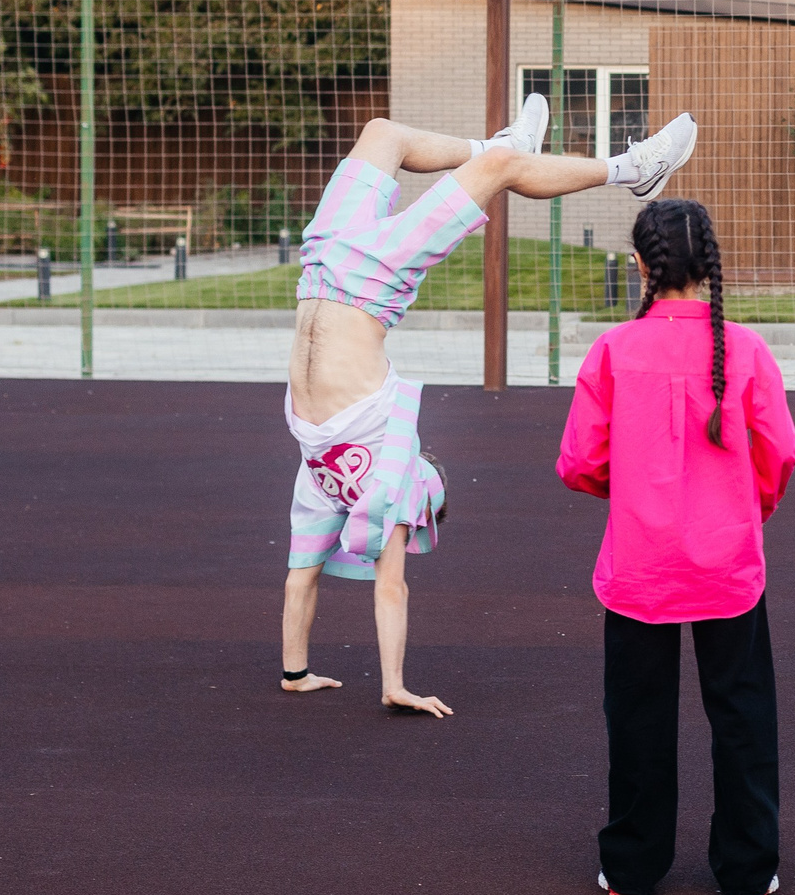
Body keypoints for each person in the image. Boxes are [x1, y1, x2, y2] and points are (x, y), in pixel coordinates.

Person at [279, 97, 698, 714]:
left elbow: (307, 580)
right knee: (486, 164)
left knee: (382, 132)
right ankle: (629, 171)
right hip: (371, 275)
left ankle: (504, 145)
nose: (431, 476)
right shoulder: (390, 477)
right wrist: (392, 684)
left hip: (324, 265)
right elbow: (390, 584)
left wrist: (300, 672)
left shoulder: (324, 483)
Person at [558, 199, 795, 895]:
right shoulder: (746, 349)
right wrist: (746, 505)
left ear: (641, 265)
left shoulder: (613, 350)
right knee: (743, 711)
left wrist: (632, 483)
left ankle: (632, 862)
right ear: (709, 266)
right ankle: (749, 866)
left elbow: (579, 460)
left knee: (637, 713)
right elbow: (779, 452)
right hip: (727, 561)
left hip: (639, 561)